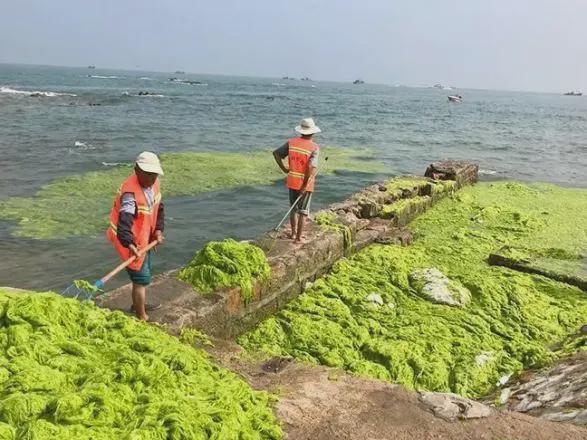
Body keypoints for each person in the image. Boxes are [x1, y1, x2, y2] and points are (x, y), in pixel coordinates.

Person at [106, 151, 165, 321]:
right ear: (137, 170)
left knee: (143, 278)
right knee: (140, 279)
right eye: (148, 175)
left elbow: (159, 208)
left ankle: (138, 304)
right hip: (130, 242)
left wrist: (158, 231)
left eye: (154, 175)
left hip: (145, 238)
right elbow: (124, 221)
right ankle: (141, 316)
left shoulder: (154, 185)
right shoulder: (130, 195)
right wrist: (129, 243)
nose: (152, 179)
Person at [273, 118, 321, 244]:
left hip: (292, 180)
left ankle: (293, 233)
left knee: (293, 208)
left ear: (301, 131)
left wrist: (284, 168)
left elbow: (276, 154)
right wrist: (305, 185)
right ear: (313, 132)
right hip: (305, 183)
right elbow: (311, 167)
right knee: (303, 211)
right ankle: (299, 238)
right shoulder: (314, 147)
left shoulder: (291, 142)